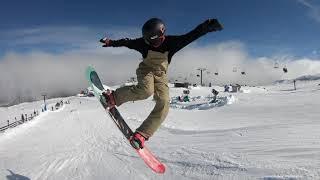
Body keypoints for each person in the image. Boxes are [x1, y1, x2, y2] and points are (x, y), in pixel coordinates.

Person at [100, 17, 223, 149]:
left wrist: (206, 27)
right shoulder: (143, 43)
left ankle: (142, 134)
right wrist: (111, 42)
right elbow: (126, 42)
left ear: (162, 34)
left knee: (164, 103)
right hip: (145, 70)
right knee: (145, 90)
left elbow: (191, 36)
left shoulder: (173, 42)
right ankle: (113, 97)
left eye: (154, 41)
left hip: (161, 75)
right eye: (148, 41)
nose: (152, 44)